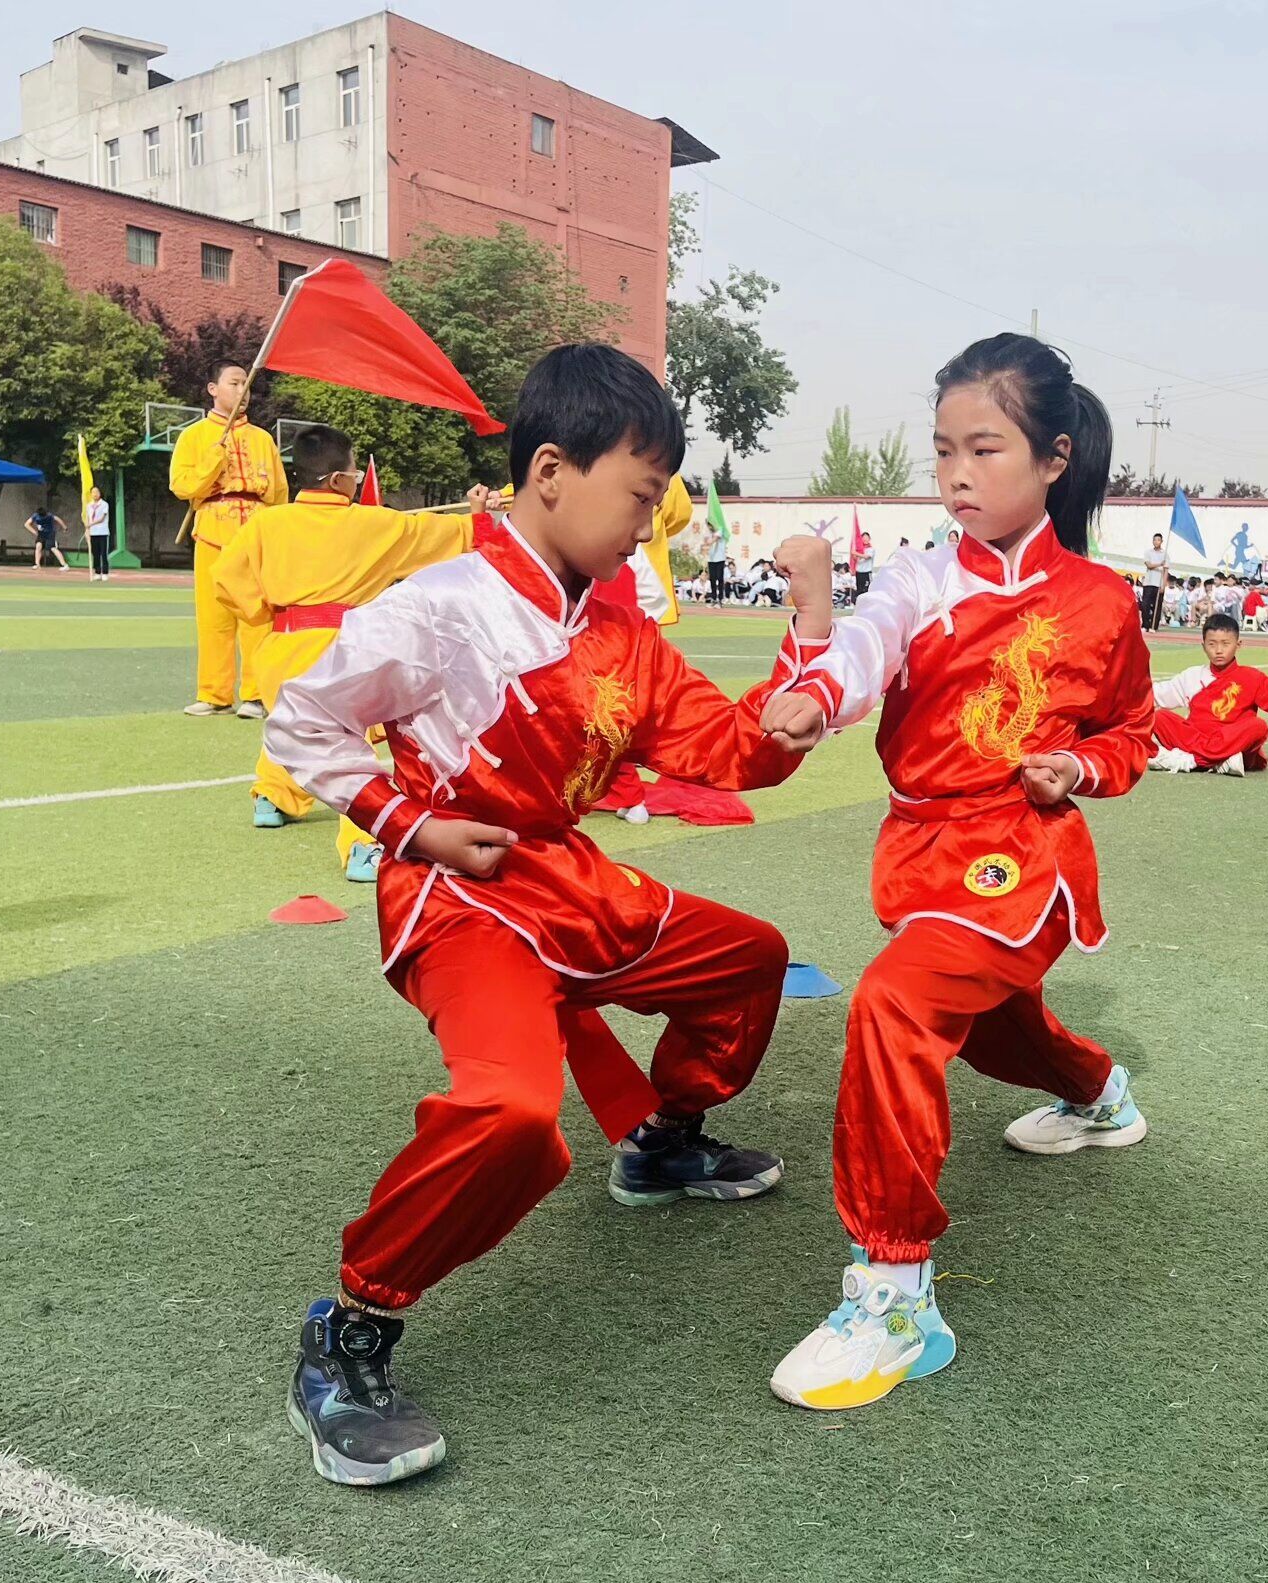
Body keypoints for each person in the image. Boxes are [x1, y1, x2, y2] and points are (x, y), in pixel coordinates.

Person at [262, 344, 834, 1485]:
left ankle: (661, 1146)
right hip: (462, 898)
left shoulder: (621, 633)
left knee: (748, 959)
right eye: (639, 492)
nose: (646, 520)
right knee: (513, 1114)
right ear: (550, 472)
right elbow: (298, 724)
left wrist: (810, 618)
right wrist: (410, 826)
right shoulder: (436, 610)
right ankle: (351, 1328)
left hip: (569, 881)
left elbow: (731, 753)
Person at [755, 332, 1156, 1413]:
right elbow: (862, 647)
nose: (956, 475)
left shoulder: (1101, 603)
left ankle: (894, 1295)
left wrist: (1078, 763)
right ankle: (1096, 1090)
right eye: (942, 452)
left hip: (1022, 856)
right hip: (923, 848)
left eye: (983, 449)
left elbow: (1130, 731)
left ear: (1053, 458)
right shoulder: (918, 578)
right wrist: (813, 670)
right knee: (985, 1026)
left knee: (893, 1004)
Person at [214, 425, 487, 881]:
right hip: (347, 650)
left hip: (282, 647)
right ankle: (364, 843)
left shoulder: (265, 523)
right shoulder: (372, 523)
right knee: (350, 747)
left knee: (293, 724)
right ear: (340, 479)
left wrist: (268, 614)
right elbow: (446, 536)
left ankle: (271, 797)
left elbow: (227, 581)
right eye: (355, 471)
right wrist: (478, 512)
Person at [171, 359, 288, 718]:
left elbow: (279, 493)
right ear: (213, 389)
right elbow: (183, 486)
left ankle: (255, 694)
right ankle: (214, 693)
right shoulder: (194, 437)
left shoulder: (263, 439)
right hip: (211, 530)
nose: (243, 391)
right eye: (235, 383)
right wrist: (213, 460)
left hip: (254, 531)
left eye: (246, 385)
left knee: (256, 617)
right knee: (214, 616)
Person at [1146, 613, 1268, 773]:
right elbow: (1154, 696)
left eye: (1225, 644)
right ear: (1203, 646)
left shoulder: (1252, 677)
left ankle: (1194, 761)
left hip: (1233, 743)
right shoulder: (1191, 675)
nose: (1219, 650)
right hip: (1201, 739)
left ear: (1238, 644)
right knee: (1158, 717)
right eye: (1212, 644)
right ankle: (1216, 762)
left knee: (1258, 726)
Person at [26, 502, 69, 570]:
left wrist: (64, 527)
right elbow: (27, 524)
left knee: (53, 548)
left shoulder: (49, 515)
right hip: (41, 534)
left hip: (50, 534)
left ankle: (64, 565)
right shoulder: (35, 516)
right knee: (38, 546)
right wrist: (34, 532)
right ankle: (37, 564)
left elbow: (57, 519)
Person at [1142, 531, 1170, 630]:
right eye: (1154, 540)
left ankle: (1154, 626)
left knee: (1157, 606)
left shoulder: (1165, 554)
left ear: (1161, 541)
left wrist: (1164, 585)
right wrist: (1159, 564)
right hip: (1148, 582)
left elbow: (1166, 571)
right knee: (1145, 604)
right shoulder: (1148, 552)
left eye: (1158, 540)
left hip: (1159, 583)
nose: (1156, 541)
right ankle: (1145, 625)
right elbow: (1149, 565)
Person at [84, 487, 113, 582]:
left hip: (103, 532)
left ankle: (105, 572)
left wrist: (90, 524)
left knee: (103, 553)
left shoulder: (104, 504)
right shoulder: (89, 505)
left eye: (97, 492)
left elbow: (102, 519)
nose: (95, 494)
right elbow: (88, 518)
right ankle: (97, 572)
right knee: (95, 553)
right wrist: (87, 530)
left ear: (100, 493)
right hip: (93, 533)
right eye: (93, 492)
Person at [705, 516, 729, 604]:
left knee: (720, 578)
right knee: (712, 579)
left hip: (720, 558)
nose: (709, 527)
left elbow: (713, 540)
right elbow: (707, 542)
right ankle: (714, 597)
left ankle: (721, 598)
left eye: (710, 525)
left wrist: (710, 540)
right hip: (711, 559)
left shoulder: (720, 530)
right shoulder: (709, 533)